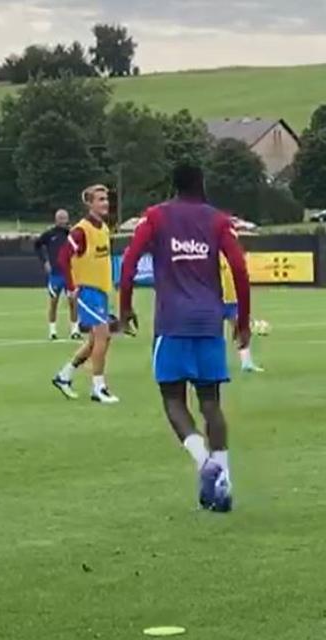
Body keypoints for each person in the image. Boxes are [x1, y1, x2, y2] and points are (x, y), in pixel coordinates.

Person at [119, 164, 251, 512]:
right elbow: (239, 268)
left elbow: (130, 259)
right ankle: (223, 481)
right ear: (202, 184)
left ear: (173, 186)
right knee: (211, 402)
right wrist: (243, 319)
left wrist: (125, 306)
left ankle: (204, 461)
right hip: (208, 322)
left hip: (172, 323)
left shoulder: (156, 217)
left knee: (173, 399)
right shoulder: (218, 220)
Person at [51, 185, 120, 404]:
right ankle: (98, 387)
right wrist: (72, 287)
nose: (105, 203)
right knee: (103, 336)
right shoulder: (81, 230)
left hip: (101, 291)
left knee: (93, 341)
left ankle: (64, 376)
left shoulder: (104, 228)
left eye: (106, 198)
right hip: (88, 291)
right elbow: (64, 258)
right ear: (89, 204)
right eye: (100, 199)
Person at [220, 226, 263, 373]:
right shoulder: (214, 254)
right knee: (214, 334)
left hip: (232, 299)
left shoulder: (234, 255)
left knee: (239, 330)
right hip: (216, 300)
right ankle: (217, 364)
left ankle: (246, 362)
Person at [34, 209, 80, 340]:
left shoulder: (72, 234)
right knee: (54, 302)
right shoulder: (49, 234)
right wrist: (45, 261)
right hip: (55, 274)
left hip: (70, 273)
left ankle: (74, 330)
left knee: (73, 302)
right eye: (60, 218)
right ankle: (52, 331)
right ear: (56, 219)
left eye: (64, 218)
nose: (62, 221)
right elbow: (37, 245)